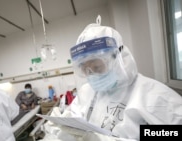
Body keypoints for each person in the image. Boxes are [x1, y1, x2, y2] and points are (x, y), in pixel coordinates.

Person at [39, 15, 182, 141]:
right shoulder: (87, 92)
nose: (92, 75)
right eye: (86, 70)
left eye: (97, 68)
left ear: (119, 58)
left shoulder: (153, 96)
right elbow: (75, 118)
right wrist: (62, 123)